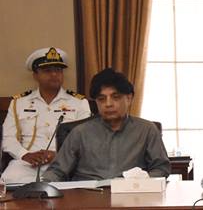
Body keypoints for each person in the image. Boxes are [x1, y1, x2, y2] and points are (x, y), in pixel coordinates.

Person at [43, 68, 170, 181]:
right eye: (101, 99)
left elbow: (161, 169)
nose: (108, 104)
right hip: (87, 197)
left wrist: (142, 180)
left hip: (130, 195)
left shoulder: (146, 130)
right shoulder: (80, 132)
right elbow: (57, 171)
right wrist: (42, 186)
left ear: (129, 98)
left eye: (116, 97)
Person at [1, 47, 92, 183]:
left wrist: (58, 155)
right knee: (8, 180)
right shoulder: (19, 103)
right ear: (35, 75)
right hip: (27, 164)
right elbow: (7, 138)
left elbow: (86, 140)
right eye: (47, 71)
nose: (54, 75)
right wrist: (25, 154)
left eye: (58, 70)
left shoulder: (79, 103)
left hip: (65, 162)